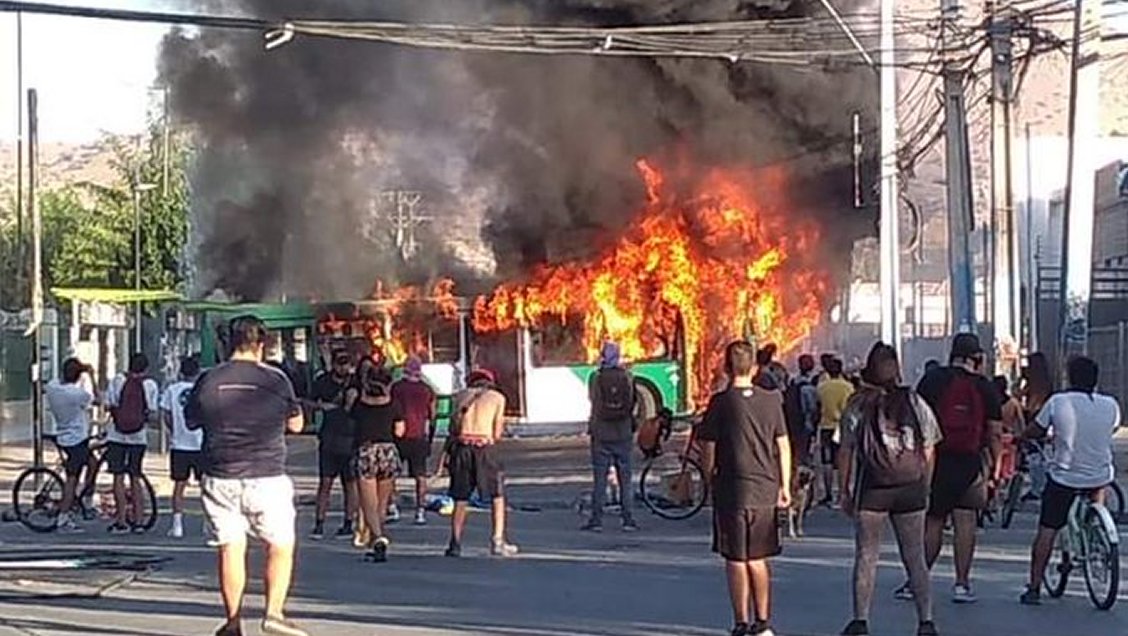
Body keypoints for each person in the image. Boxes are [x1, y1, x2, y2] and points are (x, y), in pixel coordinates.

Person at [185, 315, 308, 636]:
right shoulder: (277, 380)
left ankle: (233, 621)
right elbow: (296, 424)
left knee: (230, 547)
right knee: (280, 544)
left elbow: (191, 421)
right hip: (267, 475)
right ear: (261, 344)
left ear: (227, 344)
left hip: (219, 474)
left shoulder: (208, 380)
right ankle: (273, 613)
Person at [838, 343, 941, 636]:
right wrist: (926, 482)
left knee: (866, 555)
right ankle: (926, 621)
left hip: (873, 489)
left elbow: (845, 449)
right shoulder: (914, 400)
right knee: (914, 556)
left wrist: (843, 489)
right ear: (896, 368)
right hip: (910, 487)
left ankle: (860, 620)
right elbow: (931, 445)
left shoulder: (858, 404)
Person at [699, 340, 792, 636]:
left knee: (736, 559)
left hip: (732, 491)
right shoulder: (772, 400)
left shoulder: (720, 403)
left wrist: (708, 476)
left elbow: (707, 447)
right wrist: (785, 485)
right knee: (758, 558)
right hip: (765, 490)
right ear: (754, 368)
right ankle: (763, 622)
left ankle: (741, 622)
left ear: (726, 368)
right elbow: (783, 445)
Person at [908, 333, 1002, 604]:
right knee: (966, 521)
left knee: (934, 520)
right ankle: (962, 584)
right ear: (977, 358)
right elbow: (995, 432)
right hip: (970, 462)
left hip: (936, 459)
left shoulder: (933, 380)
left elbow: (916, 419)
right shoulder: (984, 387)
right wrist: (995, 468)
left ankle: (918, 579)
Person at [1019, 356, 1121, 605]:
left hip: (1065, 476)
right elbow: (1113, 429)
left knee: (1047, 529)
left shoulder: (1058, 401)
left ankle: (1034, 587)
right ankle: (1096, 536)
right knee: (1095, 503)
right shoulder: (1111, 405)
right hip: (1100, 475)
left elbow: (1037, 429)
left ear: (1069, 377)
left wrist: (1022, 436)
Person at [444, 368, 518, 558]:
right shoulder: (497, 398)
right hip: (484, 449)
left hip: (462, 449)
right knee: (497, 495)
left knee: (461, 497)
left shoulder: (459, 396)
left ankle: (455, 542)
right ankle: (497, 541)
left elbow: (453, 426)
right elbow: (496, 433)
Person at [582, 342, 639, 533]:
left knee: (600, 479)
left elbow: (593, 402)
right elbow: (632, 402)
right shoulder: (627, 377)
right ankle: (628, 519)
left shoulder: (595, 378)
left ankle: (596, 520)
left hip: (601, 434)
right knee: (625, 478)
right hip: (623, 433)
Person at [350, 364, 405, 562]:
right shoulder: (394, 404)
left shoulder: (360, 403)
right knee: (382, 503)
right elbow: (400, 431)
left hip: (366, 451)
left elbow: (351, 420)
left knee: (368, 503)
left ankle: (378, 539)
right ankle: (376, 539)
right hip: (388, 450)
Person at [105, 352, 160, 534]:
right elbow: (151, 412)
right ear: (145, 368)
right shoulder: (150, 384)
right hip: (138, 437)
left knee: (118, 477)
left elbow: (109, 403)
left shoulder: (118, 380)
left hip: (116, 436)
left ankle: (121, 520)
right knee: (135, 476)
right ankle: (138, 520)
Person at [309, 351, 358, 540]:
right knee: (325, 482)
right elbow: (309, 401)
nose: (343, 368)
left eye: (346, 363)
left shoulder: (355, 382)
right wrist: (321, 407)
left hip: (351, 437)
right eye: (340, 363)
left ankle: (348, 523)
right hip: (329, 437)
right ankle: (319, 523)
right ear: (333, 364)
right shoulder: (323, 381)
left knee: (350, 484)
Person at [45, 357, 96, 532]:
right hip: (75, 439)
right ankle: (63, 517)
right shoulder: (76, 394)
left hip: (63, 435)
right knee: (72, 479)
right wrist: (91, 377)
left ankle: (85, 499)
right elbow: (93, 398)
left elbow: (60, 380)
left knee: (92, 463)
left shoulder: (52, 387)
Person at [391, 355, 437, 526]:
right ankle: (420, 511)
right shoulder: (427, 389)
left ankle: (392, 507)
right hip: (419, 436)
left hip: (399, 435)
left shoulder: (396, 388)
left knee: (392, 474)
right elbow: (433, 414)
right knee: (420, 476)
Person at [162, 356, 204, 539]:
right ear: (197, 372)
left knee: (179, 485)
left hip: (179, 444)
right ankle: (207, 523)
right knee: (206, 486)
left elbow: (166, 414)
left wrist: (175, 431)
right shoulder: (202, 390)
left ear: (181, 371)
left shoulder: (172, 390)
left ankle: (177, 524)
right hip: (201, 443)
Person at [815, 357, 854, 506]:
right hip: (842, 427)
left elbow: (817, 407)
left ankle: (828, 493)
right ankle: (842, 493)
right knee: (842, 459)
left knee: (827, 461)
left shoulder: (822, 387)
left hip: (826, 426)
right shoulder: (848, 387)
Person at [782, 354, 819, 473]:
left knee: (796, 451)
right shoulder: (809, 386)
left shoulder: (793, 382)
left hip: (794, 422)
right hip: (805, 423)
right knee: (804, 452)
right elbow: (812, 408)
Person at [992, 375, 1025, 486]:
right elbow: (1021, 423)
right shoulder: (1014, 403)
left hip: (994, 439)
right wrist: (1021, 437)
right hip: (1009, 439)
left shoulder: (991, 403)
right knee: (1008, 469)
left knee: (995, 469)